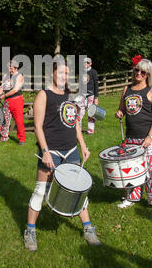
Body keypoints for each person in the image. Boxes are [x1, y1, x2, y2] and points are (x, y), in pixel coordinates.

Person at [24, 61, 101, 252]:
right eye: (61, 73)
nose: (64, 77)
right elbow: (38, 127)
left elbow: (75, 123)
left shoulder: (71, 95)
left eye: (67, 74)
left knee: (78, 190)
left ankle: (88, 228)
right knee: (41, 191)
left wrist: (83, 145)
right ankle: (30, 231)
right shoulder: (44, 95)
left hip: (71, 151)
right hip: (52, 152)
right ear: (52, 73)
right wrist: (45, 151)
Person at [115, 55, 152, 216]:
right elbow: (122, 108)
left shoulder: (151, 91)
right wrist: (120, 112)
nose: (139, 74)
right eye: (137, 70)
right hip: (131, 138)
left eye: (143, 72)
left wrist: (149, 137)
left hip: (148, 139)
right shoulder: (127, 89)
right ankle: (131, 198)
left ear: (148, 74)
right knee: (132, 170)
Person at [0, 60, 26, 145]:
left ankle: (22, 139)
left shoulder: (19, 76)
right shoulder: (5, 75)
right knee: (5, 119)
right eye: (9, 68)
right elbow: (2, 86)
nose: (10, 70)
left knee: (19, 120)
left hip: (16, 99)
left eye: (11, 68)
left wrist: (4, 95)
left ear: (16, 68)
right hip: (7, 100)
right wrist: (0, 91)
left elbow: (15, 90)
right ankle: (4, 136)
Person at [77, 57, 99, 134]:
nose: (86, 64)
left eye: (88, 62)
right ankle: (78, 129)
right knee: (79, 111)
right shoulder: (81, 72)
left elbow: (96, 85)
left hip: (91, 95)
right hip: (82, 95)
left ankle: (90, 130)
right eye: (85, 62)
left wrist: (96, 97)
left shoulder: (94, 72)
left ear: (91, 63)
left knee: (91, 112)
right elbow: (80, 84)